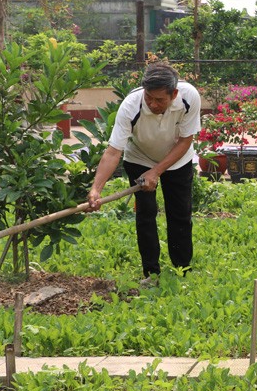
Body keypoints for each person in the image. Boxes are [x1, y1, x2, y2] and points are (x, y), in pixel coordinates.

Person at [87, 62, 202, 286]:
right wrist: (96, 189)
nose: (152, 103)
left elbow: (186, 140)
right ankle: (151, 273)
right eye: (149, 97)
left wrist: (158, 171)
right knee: (146, 215)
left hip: (178, 160)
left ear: (174, 94)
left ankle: (182, 270)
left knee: (179, 215)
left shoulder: (190, 97)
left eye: (159, 99)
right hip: (139, 159)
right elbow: (113, 152)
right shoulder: (131, 105)